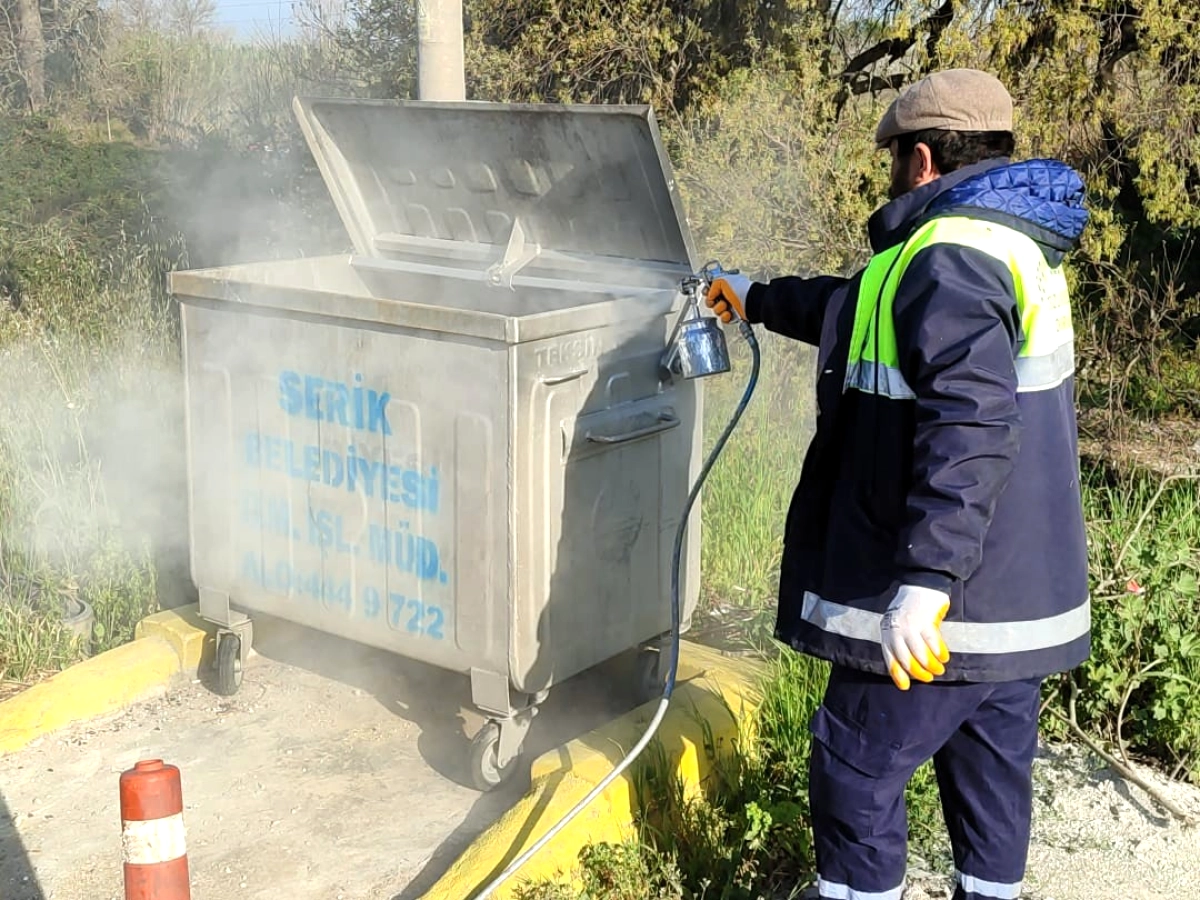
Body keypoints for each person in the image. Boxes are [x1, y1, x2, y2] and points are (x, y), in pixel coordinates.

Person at [704, 68, 1092, 900]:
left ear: (919, 158)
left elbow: (972, 425)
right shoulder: (998, 243)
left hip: (944, 614)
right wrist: (751, 296)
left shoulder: (949, 257)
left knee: (854, 770)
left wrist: (926, 580)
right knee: (989, 793)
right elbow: (855, 306)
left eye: (890, 158)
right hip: (1012, 605)